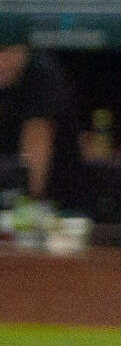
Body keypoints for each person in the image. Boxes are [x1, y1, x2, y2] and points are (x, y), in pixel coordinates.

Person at [0, 38, 82, 214]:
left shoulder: (41, 75)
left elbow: (35, 157)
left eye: (5, 50)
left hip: (60, 206)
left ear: (23, 48)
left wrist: (25, 211)